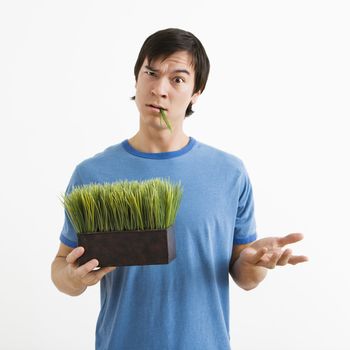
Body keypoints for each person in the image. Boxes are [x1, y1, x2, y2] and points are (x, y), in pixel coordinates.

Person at [51, 28, 308, 350]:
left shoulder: (228, 172)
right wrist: (73, 279)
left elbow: (245, 277)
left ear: (196, 92)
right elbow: (61, 267)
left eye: (177, 79)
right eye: (151, 73)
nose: (159, 89)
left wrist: (255, 262)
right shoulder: (92, 173)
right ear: (136, 78)